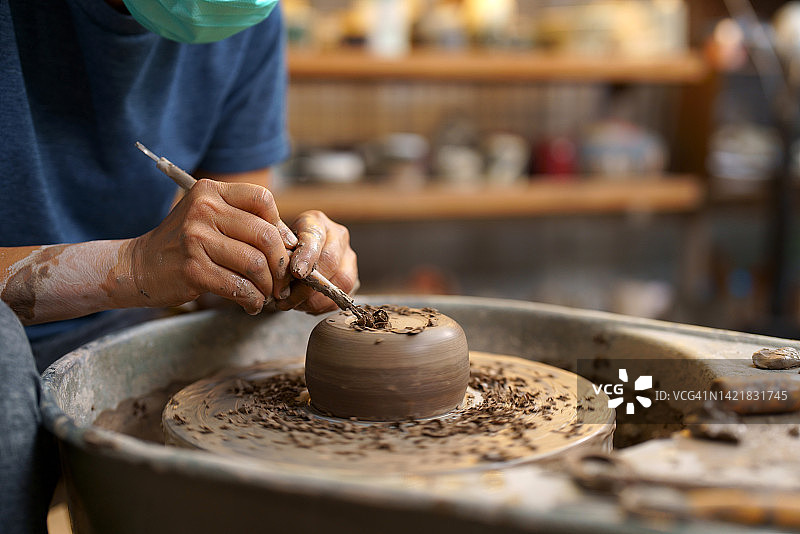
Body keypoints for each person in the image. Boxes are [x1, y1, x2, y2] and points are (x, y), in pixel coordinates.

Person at [0, 1, 358, 532]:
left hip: (123, 336)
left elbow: (237, 235)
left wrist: (278, 268)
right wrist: (132, 265)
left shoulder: (247, 18)